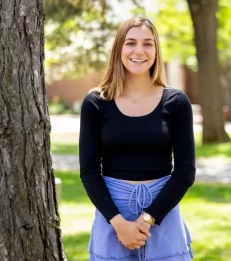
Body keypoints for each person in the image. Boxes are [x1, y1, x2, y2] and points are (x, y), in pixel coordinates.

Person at [79, 16, 196, 261]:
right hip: (112, 216)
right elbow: (89, 170)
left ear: (156, 51)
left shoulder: (176, 102)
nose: (139, 51)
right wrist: (119, 223)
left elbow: (185, 171)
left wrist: (147, 219)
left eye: (148, 44)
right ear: (118, 49)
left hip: (163, 215)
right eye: (131, 43)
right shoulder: (96, 103)